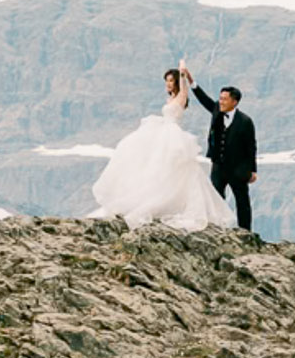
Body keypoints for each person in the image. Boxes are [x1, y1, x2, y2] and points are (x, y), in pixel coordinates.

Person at [91, 66, 231, 232]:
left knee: (177, 168)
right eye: (167, 81)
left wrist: (185, 74)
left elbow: (186, 88)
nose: (168, 84)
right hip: (165, 130)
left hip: (173, 134)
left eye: (171, 81)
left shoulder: (181, 95)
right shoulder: (171, 98)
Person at [196, 78, 258, 237]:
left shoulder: (245, 121)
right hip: (218, 166)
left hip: (238, 169)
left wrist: (252, 170)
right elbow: (204, 100)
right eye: (220, 98)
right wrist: (192, 83)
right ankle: (217, 229)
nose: (221, 101)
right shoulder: (216, 110)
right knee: (216, 197)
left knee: (242, 201)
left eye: (224, 99)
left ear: (234, 102)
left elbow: (251, 147)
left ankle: (246, 232)